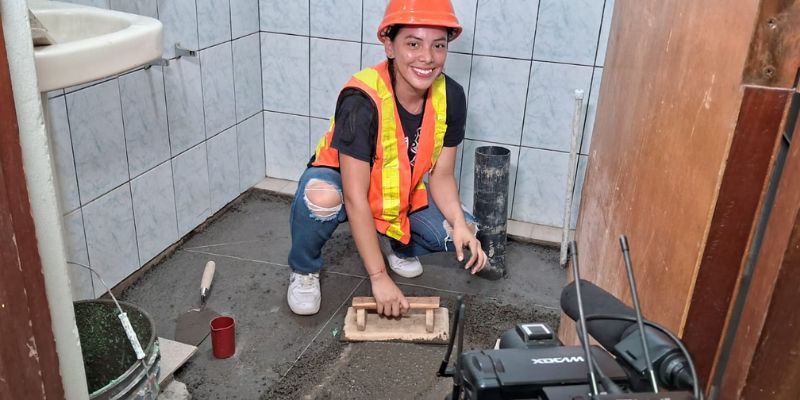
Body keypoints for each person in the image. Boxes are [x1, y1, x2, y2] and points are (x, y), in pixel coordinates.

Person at [287, 0, 487, 317]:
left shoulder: (451, 96)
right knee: (321, 199)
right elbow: (355, 196)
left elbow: (442, 175)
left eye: (439, 45)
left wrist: (459, 224)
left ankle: (392, 242)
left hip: (396, 188)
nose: (428, 57)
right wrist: (378, 278)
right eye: (413, 44)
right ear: (389, 45)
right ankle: (303, 269)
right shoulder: (361, 99)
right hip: (342, 182)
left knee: (465, 235)